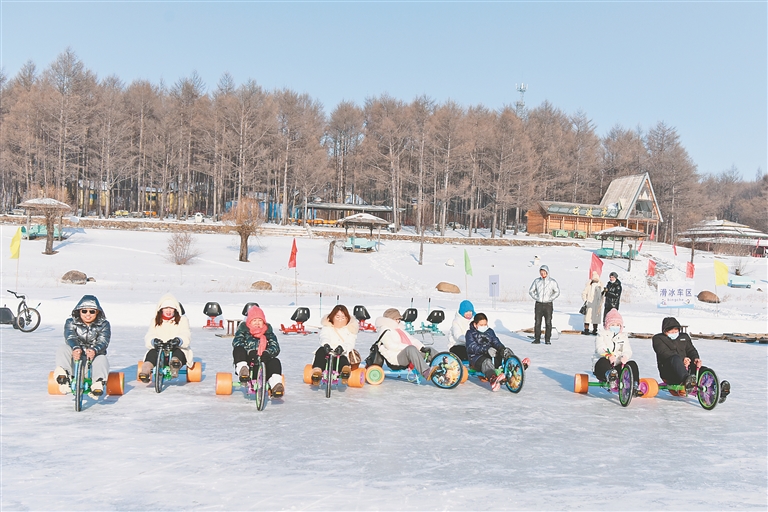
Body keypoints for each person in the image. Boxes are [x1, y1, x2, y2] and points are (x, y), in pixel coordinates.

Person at [53, 295, 111, 396]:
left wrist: (94, 350)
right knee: (63, 348)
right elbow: (70, 337)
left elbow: (103, 341)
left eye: (92, 311)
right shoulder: (70, 322)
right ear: (79, 311)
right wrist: (76, 348)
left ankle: (98, 384)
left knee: (102, 358)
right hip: (75, 361)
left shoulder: (104, 324)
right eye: (84, 311)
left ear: (97, 312)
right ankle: (64, 376)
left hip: (91, 363)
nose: (88, 314)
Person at [139, 294, 193, 383]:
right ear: (161, 309)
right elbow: (150, 334)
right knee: (151, 354)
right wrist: (154, 341)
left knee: (178, 353)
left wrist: (178, 340)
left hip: (176, 348)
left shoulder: (182, 320)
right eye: (166, 308)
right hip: (159, 350)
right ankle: (145, 371)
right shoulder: (155, 320)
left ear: (175, 309)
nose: (168, 311)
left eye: (171, 308)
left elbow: (186, 333)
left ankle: (175, 366)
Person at [232, 306, 284, 397]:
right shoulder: (243, 331)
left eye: (259, 320)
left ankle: (276, 385)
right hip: (249, 362)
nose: (257, 323)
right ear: (249, 322)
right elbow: (237, 342)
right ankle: (243, 371)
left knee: (275, 361)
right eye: (254, 320)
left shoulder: (268, 333)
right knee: (238, 349)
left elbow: (275, 346)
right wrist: (249, 351)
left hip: (263, 362)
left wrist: (267, 353)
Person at [374, 308, 433, 379]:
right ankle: (426, 372)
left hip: (408, 354)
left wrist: (422, 347)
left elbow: (412, 340)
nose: (399, 321)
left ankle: (446, 363)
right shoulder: (385, 330)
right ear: (390, 319)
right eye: (397, 319)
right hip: (396, 359)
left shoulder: (399, 329)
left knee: (430, 350)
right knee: (411, 348)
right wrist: (407, 347)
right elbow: (391, 346)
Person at [465, 313, 517, 391]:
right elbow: (472, 347)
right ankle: (493, 379)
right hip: (476, 357)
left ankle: (515, 365)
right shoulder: (470, 333)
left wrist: (501, 349)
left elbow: (496, 342)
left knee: (506, 351)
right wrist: (486, 349)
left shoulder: (490, 331)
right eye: (481, 324)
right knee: (487, 362)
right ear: (475, 324)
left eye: (485, 324)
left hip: (491, 354)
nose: (483, 326)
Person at [310, 305, 360, 384]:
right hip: (328, 351)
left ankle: (345, 372)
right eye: (337, 317)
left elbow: (350, 343)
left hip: (342, 352)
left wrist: (342, 348)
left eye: (343, 317)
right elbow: (324, 336)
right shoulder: (327, 326)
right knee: (320, 352)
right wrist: (326, 344)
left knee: (341, 358)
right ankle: (317, 373)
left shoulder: (351, 329)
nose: (340, 319)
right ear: (333, 316)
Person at [592, 309, 639, 388]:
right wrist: (609, 355)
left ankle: (635, 384)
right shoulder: (601, 335)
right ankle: (610, 376)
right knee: (603, 362)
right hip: (605, 363)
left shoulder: (623, 337)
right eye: (613, 324)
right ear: (608, 325)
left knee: (632, 364)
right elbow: (600, 348)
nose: (615, 326)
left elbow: (627, 350)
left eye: (618, 325)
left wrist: (625, 356)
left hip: (618, 364)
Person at [528, 264, 560, 344]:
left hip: (548, 305)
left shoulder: (552, 282)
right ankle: (537, 339)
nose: (542, 274)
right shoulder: (537, 281)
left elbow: (557, 292)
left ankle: (547, 339)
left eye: (544, 272)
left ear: (547, 272)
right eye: (541, 272)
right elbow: (531, 291)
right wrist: (537, 297)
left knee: (548, 322)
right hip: (539, 304)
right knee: (537, 322)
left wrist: (550, 298)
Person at [581, 271, 604, 335]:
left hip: (596, 304)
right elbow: (584, 293)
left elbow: (602, 295)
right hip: (590, 303)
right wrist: (586, 301)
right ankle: (587, 329)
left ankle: (594, 330)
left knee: (595, 318)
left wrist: (601, 302)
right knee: (588, 317)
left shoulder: (600, 287)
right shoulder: (589, 286)